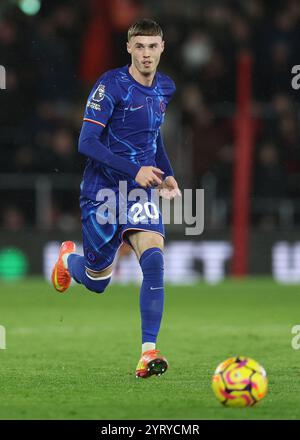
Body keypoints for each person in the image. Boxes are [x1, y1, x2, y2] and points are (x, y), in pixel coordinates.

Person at [51, 19, 180, 378]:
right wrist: (133, 169)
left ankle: (148, 352)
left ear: (162, 47)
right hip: (102, 193)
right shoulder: (111, 86)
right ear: (128, 48)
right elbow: (86, 143)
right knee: (97, 281)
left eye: (152, 47)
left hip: (138, 192)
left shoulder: (164, 88)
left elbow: (153, 139)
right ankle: (68, 261)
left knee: (154, 258)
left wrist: (166, 172)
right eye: (139, 46)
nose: (146, 54)